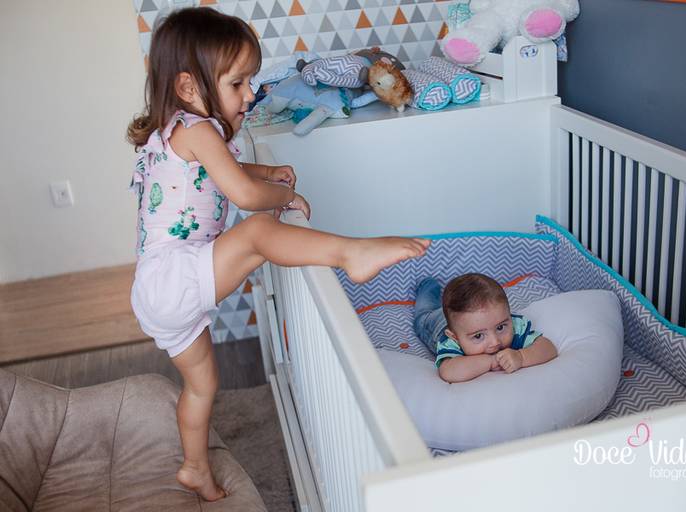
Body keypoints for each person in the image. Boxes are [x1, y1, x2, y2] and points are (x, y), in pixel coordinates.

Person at [127, 8, 429, 501]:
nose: (250, 93)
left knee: (202, 388)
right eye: (239, 83)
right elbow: (243, 198)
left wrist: (270, 174)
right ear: (187, 88)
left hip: (158, 290)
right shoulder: (198, 131)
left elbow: (230, 176)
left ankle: (194, 468)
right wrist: (283, 197)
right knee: (258, 233)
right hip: (173, 278)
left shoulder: (176, 133)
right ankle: (349, 254)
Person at [413, 273, 557, 383]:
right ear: (455, 337)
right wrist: (492, 361)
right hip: (433, 324)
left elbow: (548, 347)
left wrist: (521, 357)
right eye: (478, 336)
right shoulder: (450, 341)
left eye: (500, 327)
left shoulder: (514, 325)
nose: (495, 342)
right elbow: (448, 371)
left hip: (462, 321)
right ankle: (427, 284)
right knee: (425, 308)